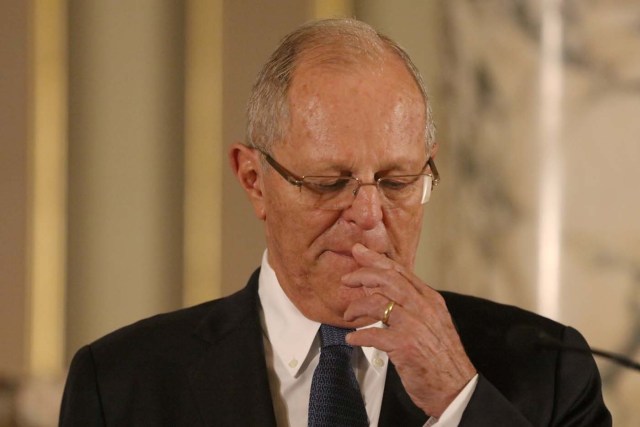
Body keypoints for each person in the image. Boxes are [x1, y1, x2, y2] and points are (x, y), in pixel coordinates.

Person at [59, 18, 611, 426]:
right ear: (254, 179)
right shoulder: (123, 384)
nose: (369, 216)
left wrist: (458, 401)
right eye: (329, 183)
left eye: (396, 182)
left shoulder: (549, 371)